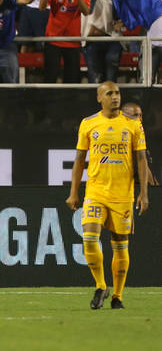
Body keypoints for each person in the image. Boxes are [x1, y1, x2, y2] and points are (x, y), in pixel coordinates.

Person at [66, 82, 149, 310]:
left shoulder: (132, 125)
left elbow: (141, 159)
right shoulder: (89, 124)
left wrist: (143, 193)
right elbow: (79, 160)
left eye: (118, 93)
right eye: (109, 93)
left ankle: (118, 296)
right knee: (89, 237)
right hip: (95, 191)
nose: (115, 97)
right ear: (99, 98)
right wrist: (74, 192)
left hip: (123, 195)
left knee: (120, 244)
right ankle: (101, 285)